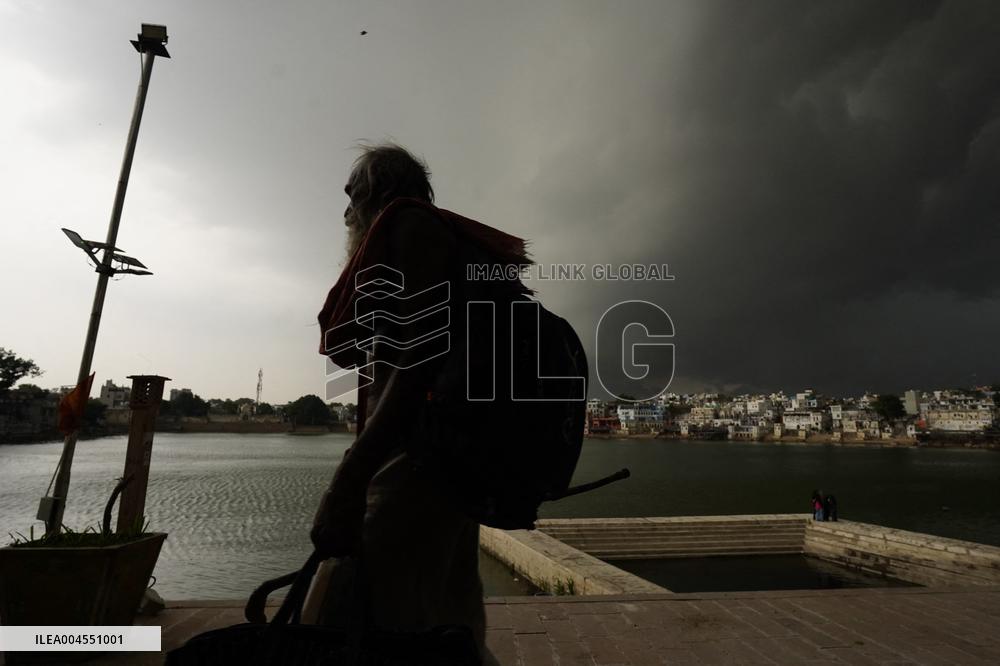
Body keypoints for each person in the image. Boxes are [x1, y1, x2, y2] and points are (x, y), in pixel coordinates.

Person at [308, 143, 533, 662]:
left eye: (353, 190)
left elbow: (414, 365)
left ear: (382, 190)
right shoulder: (426, 236)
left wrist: (352, 474)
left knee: (345, 605)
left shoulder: (410, 230)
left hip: (419, 457)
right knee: (449, 621)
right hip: (447, 455)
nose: (345, 206)